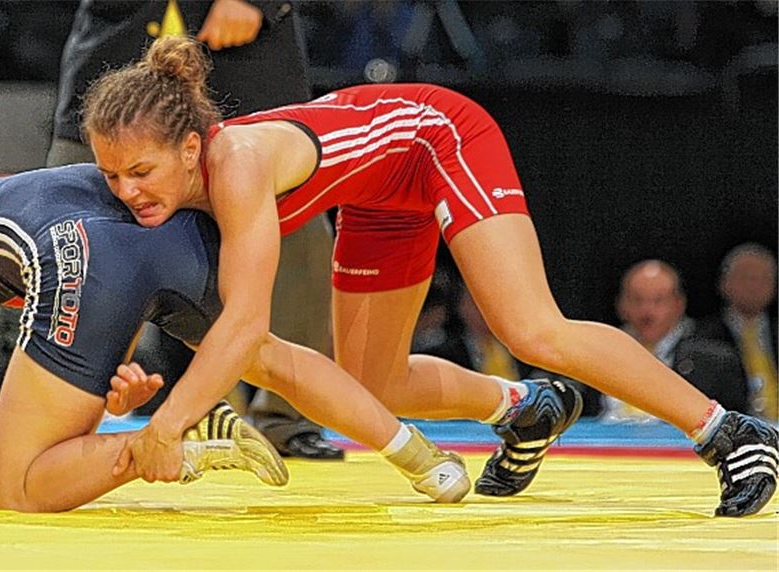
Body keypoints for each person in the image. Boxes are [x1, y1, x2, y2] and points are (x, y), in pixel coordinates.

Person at [81, 35, 778, 517]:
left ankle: (729, 432)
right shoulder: (167, 188)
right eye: (112, 175)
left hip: (438, 137)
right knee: (372, 380)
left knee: (530, 325)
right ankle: (523, 408)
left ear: (191, 146)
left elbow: (244, 327)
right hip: (375, 191)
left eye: (140, 173)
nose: (128, 191)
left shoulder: (234, 167)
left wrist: (166, 424)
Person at [0, 164, 478, 511]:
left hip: (93, 259)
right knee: (270, 356)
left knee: (15, 489)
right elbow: (114, 264)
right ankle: (423, 459)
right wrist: (122, 374)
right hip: (180, 236)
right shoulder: (16, 192)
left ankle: (157, 448)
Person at [39, 0, 343, 459]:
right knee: (69, 230)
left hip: (245, 60)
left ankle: (286, 417)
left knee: (296, 239)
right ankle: (57, 407)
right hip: (120, 43)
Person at [607, 260, 749, 421]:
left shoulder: (715, 362)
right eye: (637, 300)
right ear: (621, 305)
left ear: (678, 304)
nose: (647, 312)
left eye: (658, 301)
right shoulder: (599, 350)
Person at [699, 244, 778, 422]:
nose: (753, 286)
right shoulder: (702, 338)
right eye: (745, 278)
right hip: (734, 429)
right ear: (724, 283)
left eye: (762, 278)